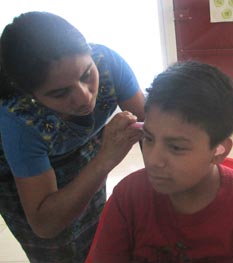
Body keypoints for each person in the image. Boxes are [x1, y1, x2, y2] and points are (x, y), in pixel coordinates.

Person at [86, 61, 233, 263]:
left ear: (219, 151)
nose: (153, 160)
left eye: (176, 148)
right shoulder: (128, 197)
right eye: (148, 138)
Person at [0, 11, 144, 263]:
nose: (84, 98)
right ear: (31, 94)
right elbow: (44, 223)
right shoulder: (19, 120)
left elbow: (152, 126)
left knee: (99, 231)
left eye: (86, 74)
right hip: (22, 175)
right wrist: (103, 161)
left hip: (86, 150)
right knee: (59, 249)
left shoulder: (107, 62)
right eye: (59, 93)